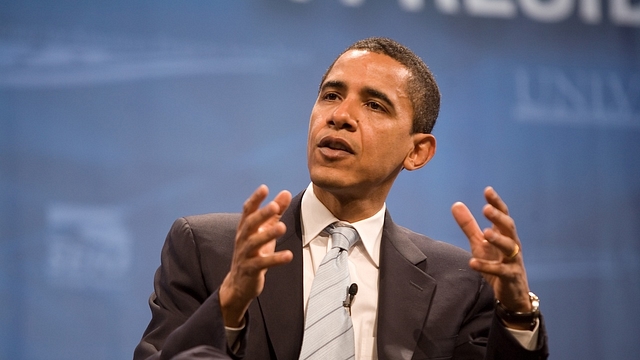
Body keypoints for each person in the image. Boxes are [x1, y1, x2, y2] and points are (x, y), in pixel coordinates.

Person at [134, 37, 548, 360]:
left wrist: (515, 314)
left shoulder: (458, 284)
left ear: (417, 151)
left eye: (374, 105)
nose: (341, 115)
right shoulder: (209, 249)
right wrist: (229, 305)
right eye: (331, 95)